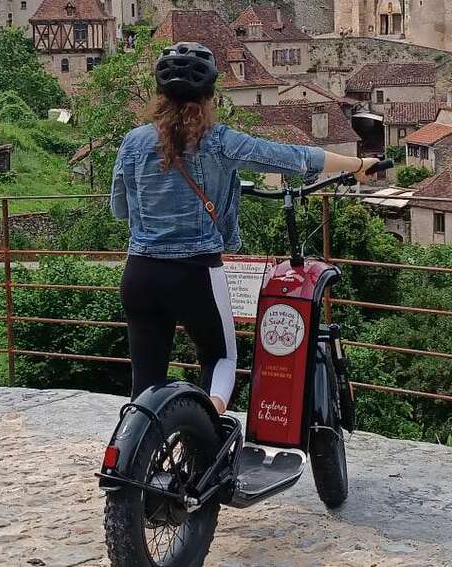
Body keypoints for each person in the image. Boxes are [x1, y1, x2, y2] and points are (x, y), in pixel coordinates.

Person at [110, 42, 377, 415]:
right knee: (220, 359)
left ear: (159, 95)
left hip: (139, 272)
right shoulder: (219, 141)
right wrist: (358, 162)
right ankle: (205, 433)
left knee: (145, 379)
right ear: (210, 96)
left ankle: (134, 457)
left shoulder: (133, 142)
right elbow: (293, 157)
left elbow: (121, 209)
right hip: (196, 270)